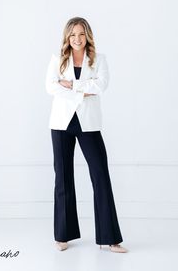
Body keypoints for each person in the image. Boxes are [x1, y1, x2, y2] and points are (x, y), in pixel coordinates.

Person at [45, 16, 128, 253]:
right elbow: (51, 87)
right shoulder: (57, 60)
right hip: (61, 123)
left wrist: (71, 85)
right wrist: (84, 90)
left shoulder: (99, 60)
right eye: (73, 35)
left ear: (87, 35)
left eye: (81, 34)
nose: (77, 39)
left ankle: (111, 238)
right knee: (62, 178)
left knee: (100, 175)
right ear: (67, 37)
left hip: (88, 123)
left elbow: (101, 86)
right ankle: (63, 235)